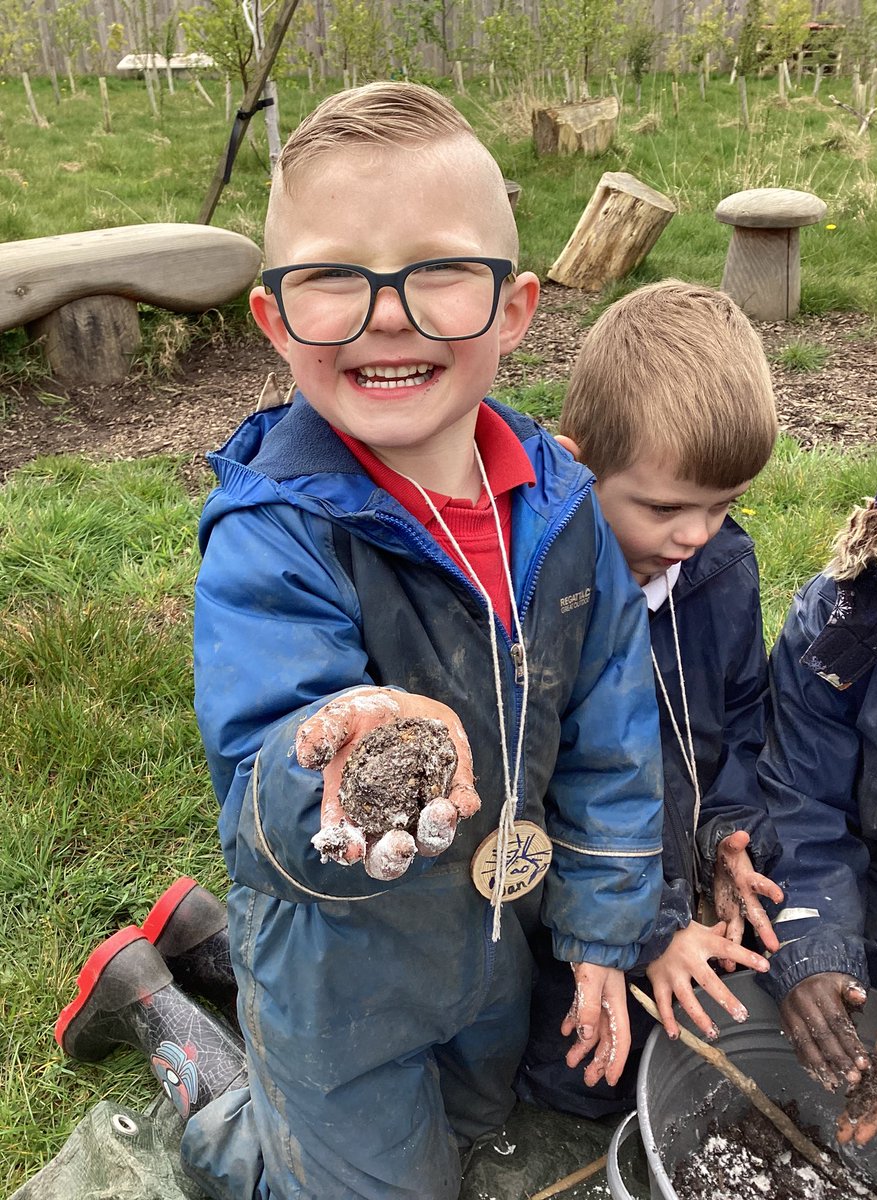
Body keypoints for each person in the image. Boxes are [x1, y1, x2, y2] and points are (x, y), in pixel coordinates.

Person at [55, 82, 665, 1200]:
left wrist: (605, 931)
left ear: (516, 308)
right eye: (336, 275)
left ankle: (191, 941)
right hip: (337, 964)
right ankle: (174, 1034)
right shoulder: (273, 540)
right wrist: (338, 755)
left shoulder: (565, 512)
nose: (389, 314)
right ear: (275, 317)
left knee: (478, 1120)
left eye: (439, 269)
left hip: (489, 939)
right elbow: (262, 777)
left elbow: (613, 736)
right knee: (369, 1186)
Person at [517, 280, 783, 1119]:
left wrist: (728, 834)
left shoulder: (720, 573)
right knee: (587, 1088)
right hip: (566, 914)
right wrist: (655, 930)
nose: (696, 535)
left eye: (724, 504)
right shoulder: (544, 606)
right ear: (575, 462)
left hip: (679, 878)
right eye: (666, 507)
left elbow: (743, 721)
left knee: (740, 1036)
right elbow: (551, 792)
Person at [758, 457, 877, 1148]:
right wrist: (810, 940)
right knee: (783, 969)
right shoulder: (847, 616)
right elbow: (800, 796)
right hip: (861, 875)